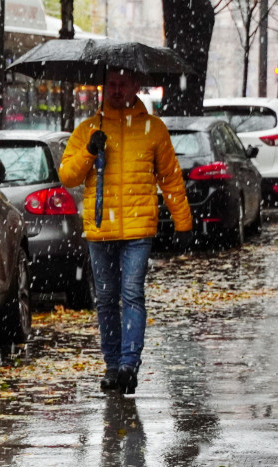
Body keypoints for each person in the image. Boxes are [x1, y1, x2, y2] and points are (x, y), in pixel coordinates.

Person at [58, 69, 192, 395]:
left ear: (135, 87)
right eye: (111, 85)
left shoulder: (153, 129)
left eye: (123, 84)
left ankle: (129, 365)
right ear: (104, 88)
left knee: (131, 294)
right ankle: (113, 365)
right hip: (101, 228)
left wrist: (183, 222)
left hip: (138, 227)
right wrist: (90, 151)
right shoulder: (89, 129)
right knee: (105, 299)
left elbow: (170, 178)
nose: (116, 90)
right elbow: (67, 175)